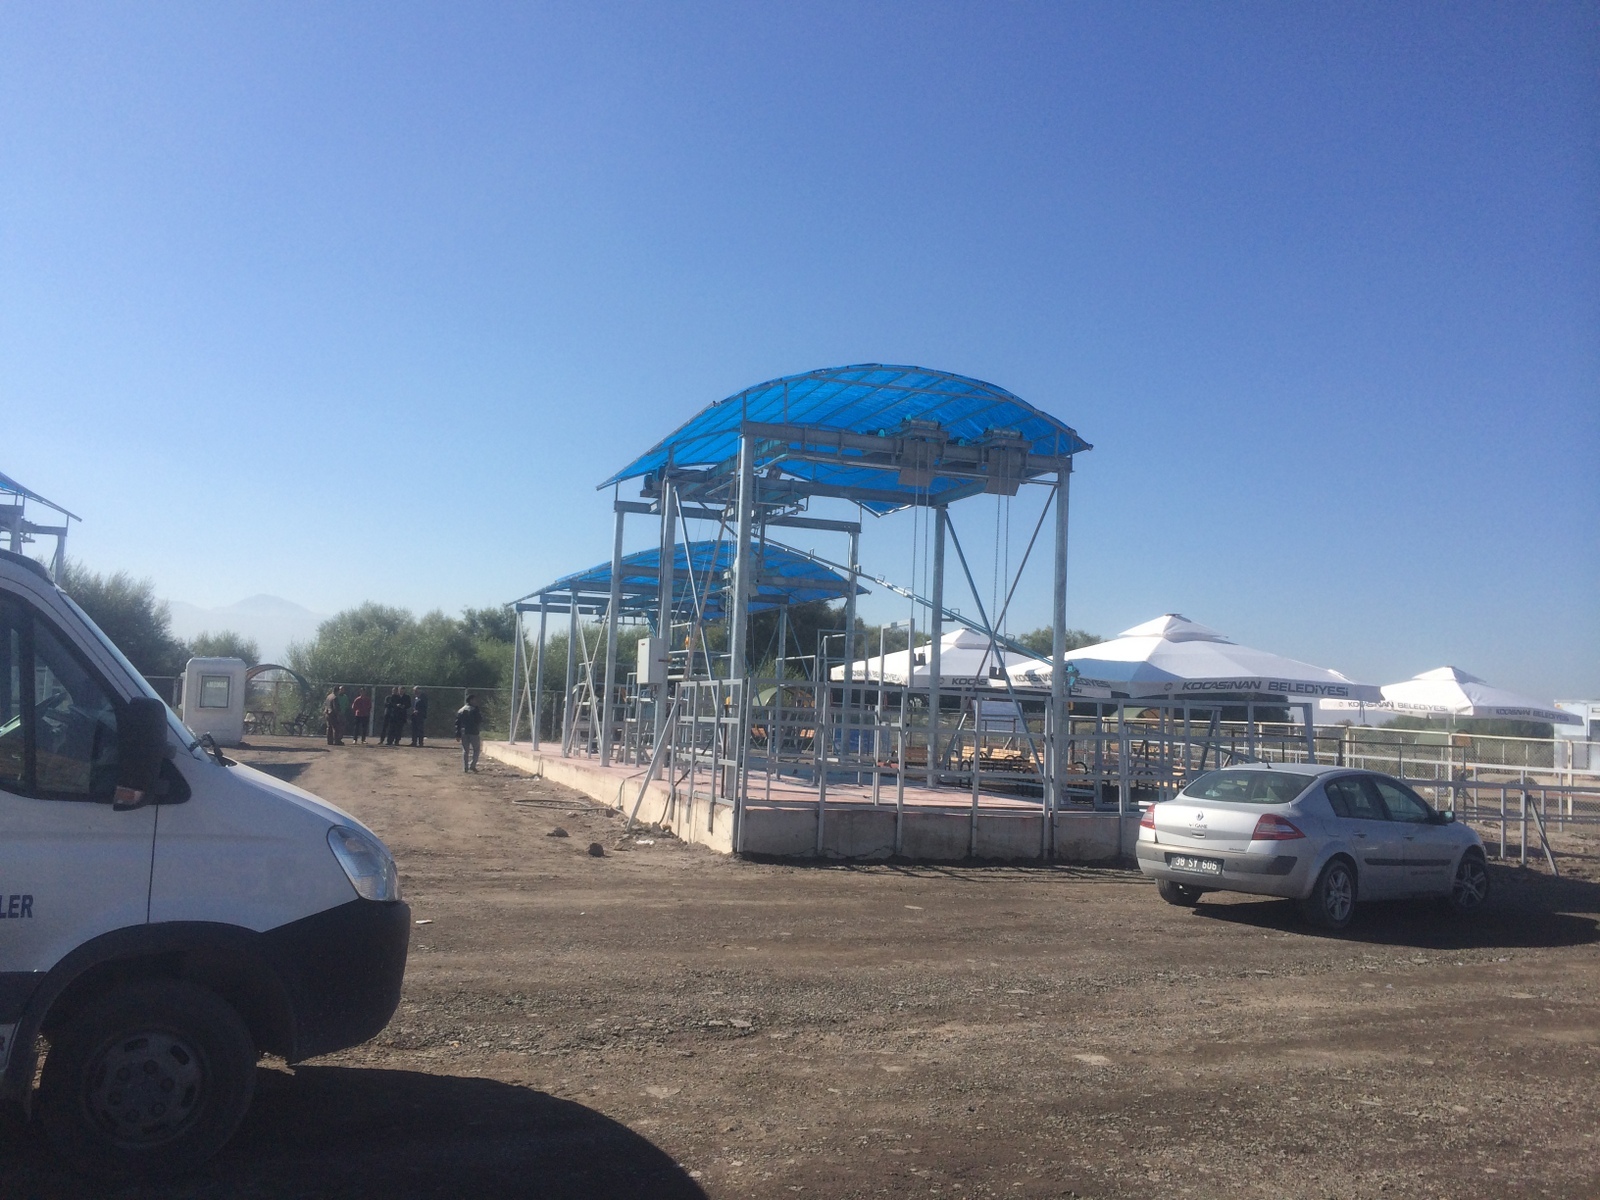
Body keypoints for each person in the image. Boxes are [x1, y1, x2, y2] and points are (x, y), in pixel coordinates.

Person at [455, 693, 483, 773]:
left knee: (465, 750)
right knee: (476, 750)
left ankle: (465, 767)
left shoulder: (461, 710)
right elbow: (479, 720)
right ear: (471, 700)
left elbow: (457, 723)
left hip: (464, 732)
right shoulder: (474, 710)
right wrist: (477, 710)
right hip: (473, 732)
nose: (476, 701)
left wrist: (457, 734)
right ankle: (472, 765)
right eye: (474, 700)